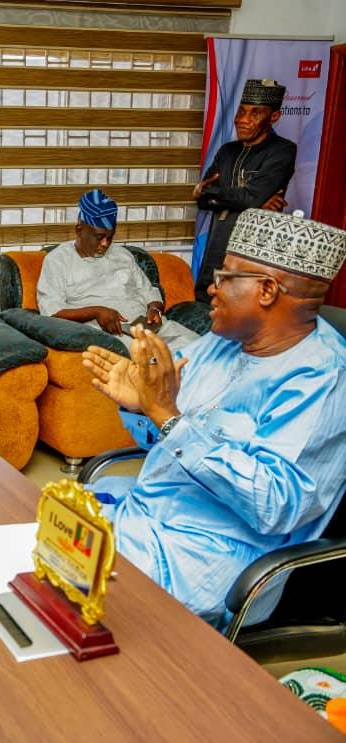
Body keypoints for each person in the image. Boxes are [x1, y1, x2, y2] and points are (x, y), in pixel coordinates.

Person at [82, 208, 346, 629]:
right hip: (145, 513)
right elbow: (167, 434)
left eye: (225, 278)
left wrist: (166, 416)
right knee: (37, 535)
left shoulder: (323, 378)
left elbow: (276, 505)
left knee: (70, 593)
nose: (211, 288)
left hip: (203, 558)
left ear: (266, 290)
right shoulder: (220, 345)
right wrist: (140, 405)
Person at [37, 189, 200, 350]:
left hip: (145, 325)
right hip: (106, 332)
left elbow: (149, 292)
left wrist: (154, 309)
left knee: (199, 347)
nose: (105, 244)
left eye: (110, 237)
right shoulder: (57, 260)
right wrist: (96, 311)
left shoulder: (123, 255)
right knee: (152, 359)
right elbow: (52, 313)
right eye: (99, 237)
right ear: (79, 230)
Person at [193, 79, 297, 302]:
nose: (243, 120)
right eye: (241, 111)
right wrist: (254, 201)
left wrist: (242, 197)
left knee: (241, 307)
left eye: (255, 113)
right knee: (205, 301)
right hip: (216, 244)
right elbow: (202, 199)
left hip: (252, 248)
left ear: (274, 117)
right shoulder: (227, 150)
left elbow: (247, 196)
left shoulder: (282, 151)